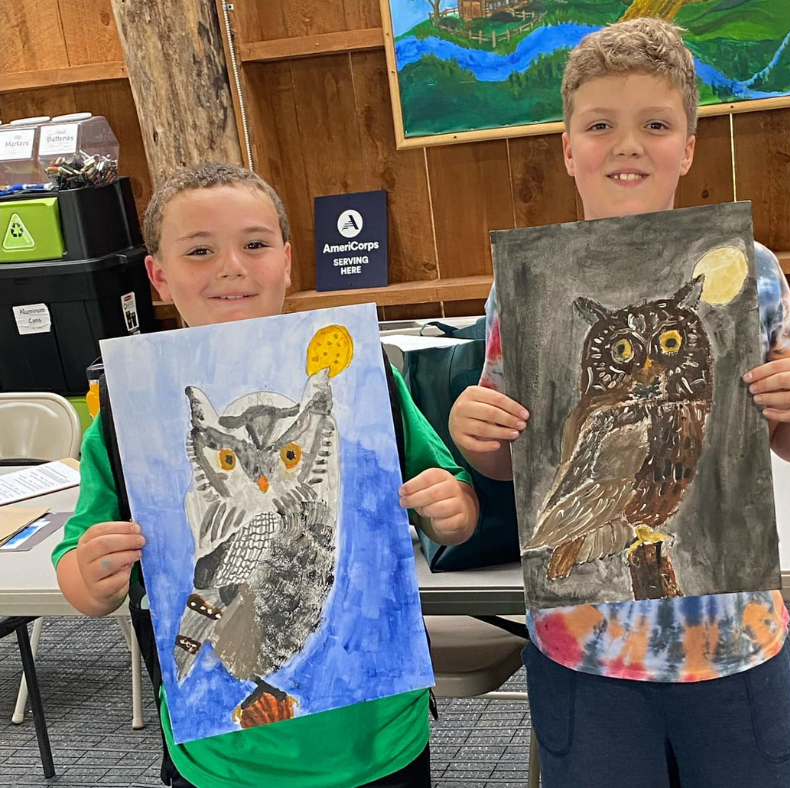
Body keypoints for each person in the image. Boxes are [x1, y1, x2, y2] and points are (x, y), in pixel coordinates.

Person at [448, 19, 790, 788]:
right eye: (600, 124)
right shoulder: (527, 287)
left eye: (655, 124)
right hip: (585, 649)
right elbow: (511, 463)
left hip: (732, 642)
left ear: (687, 147)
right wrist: (477, 432)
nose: (627, 144)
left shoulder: (749, 271)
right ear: (568, 148)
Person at [53, 162, 480, 788]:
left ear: (286, 259)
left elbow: (454, 508)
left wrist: (453, 509)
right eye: (200, 250)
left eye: (254, 244)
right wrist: (90, 578)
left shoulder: (364, 388)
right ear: (159, 277)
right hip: (225, 756)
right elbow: (78, 564)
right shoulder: (132, 419)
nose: (232, 266)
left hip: (379, 734)